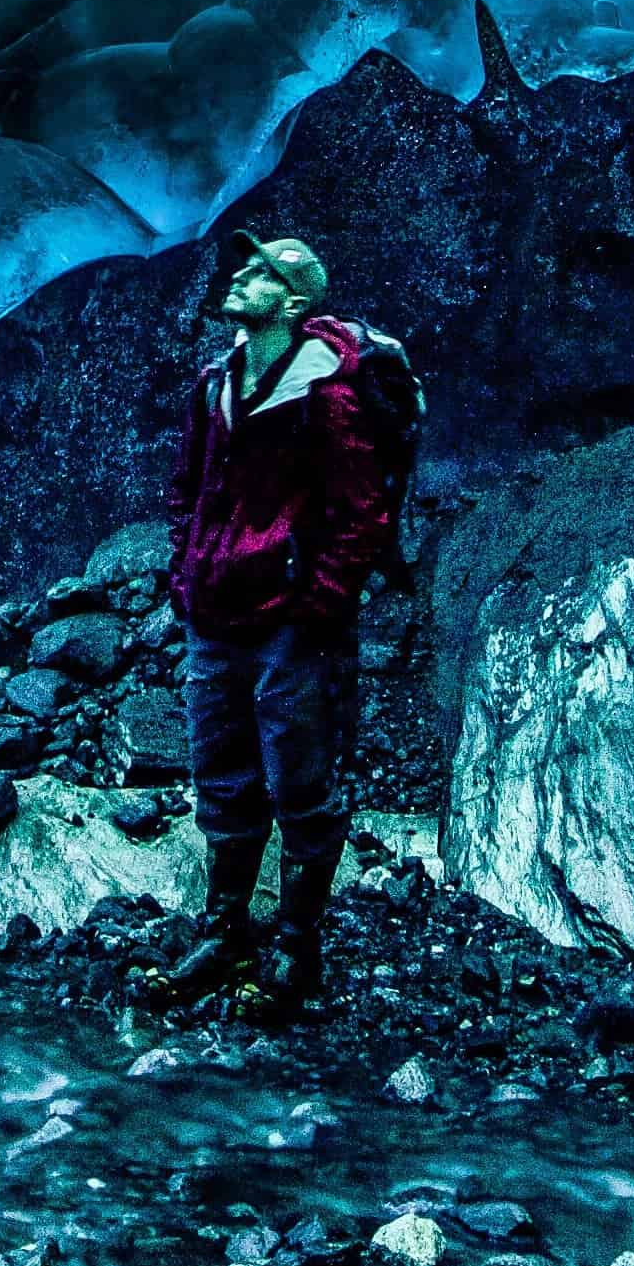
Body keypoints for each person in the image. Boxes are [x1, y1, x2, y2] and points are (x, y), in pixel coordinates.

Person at [146, 234, 409, 1023]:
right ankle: (225, 933)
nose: (239, 277)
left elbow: (360, 514)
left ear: (293, 301)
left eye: (259, 272)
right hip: (214, 612)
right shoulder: (215, 384)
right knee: (220, 774)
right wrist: (185, 568)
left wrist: (318, 605)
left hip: (290, 623)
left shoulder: (328, 394)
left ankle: (298, 950)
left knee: (300, 782)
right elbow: (188, 485)